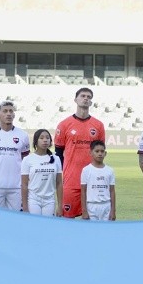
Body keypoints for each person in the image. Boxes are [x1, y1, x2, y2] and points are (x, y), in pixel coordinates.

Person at [55, 88, 105, 218]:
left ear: (91, 102)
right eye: (83, 96)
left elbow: (100, 153)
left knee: (92, 220)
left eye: (89, 96)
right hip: (71, 180)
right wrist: (61, 176)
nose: (86, 98)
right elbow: (58, 153)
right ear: (75, 99)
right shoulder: (64, 125)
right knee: (67, 219)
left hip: (92, 180)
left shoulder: (98, 125)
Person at [21, 129, 63, 216]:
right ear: (36, 141)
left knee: (47, 226)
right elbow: (24, 184)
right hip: (33, 199)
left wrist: (60, 206)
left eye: (47, 138)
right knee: (34, 225)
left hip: (50, 200)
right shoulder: (28, 160)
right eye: (41, 138)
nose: (45, 140)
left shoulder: (56, 159)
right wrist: (25, 206)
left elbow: (59, 183)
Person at [80, 140, 116, 221]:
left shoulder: (110, 170)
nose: (100, 154)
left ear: (105, 153)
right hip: (91, 207)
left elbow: (112, 191)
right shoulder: (86, 170)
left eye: (102, 151)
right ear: (91, 153)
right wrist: (84, 210)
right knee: (91, 232)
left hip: (106, 205)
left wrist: (113, 211)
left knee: (106, 231)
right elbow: (83, 191)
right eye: (97, 151)